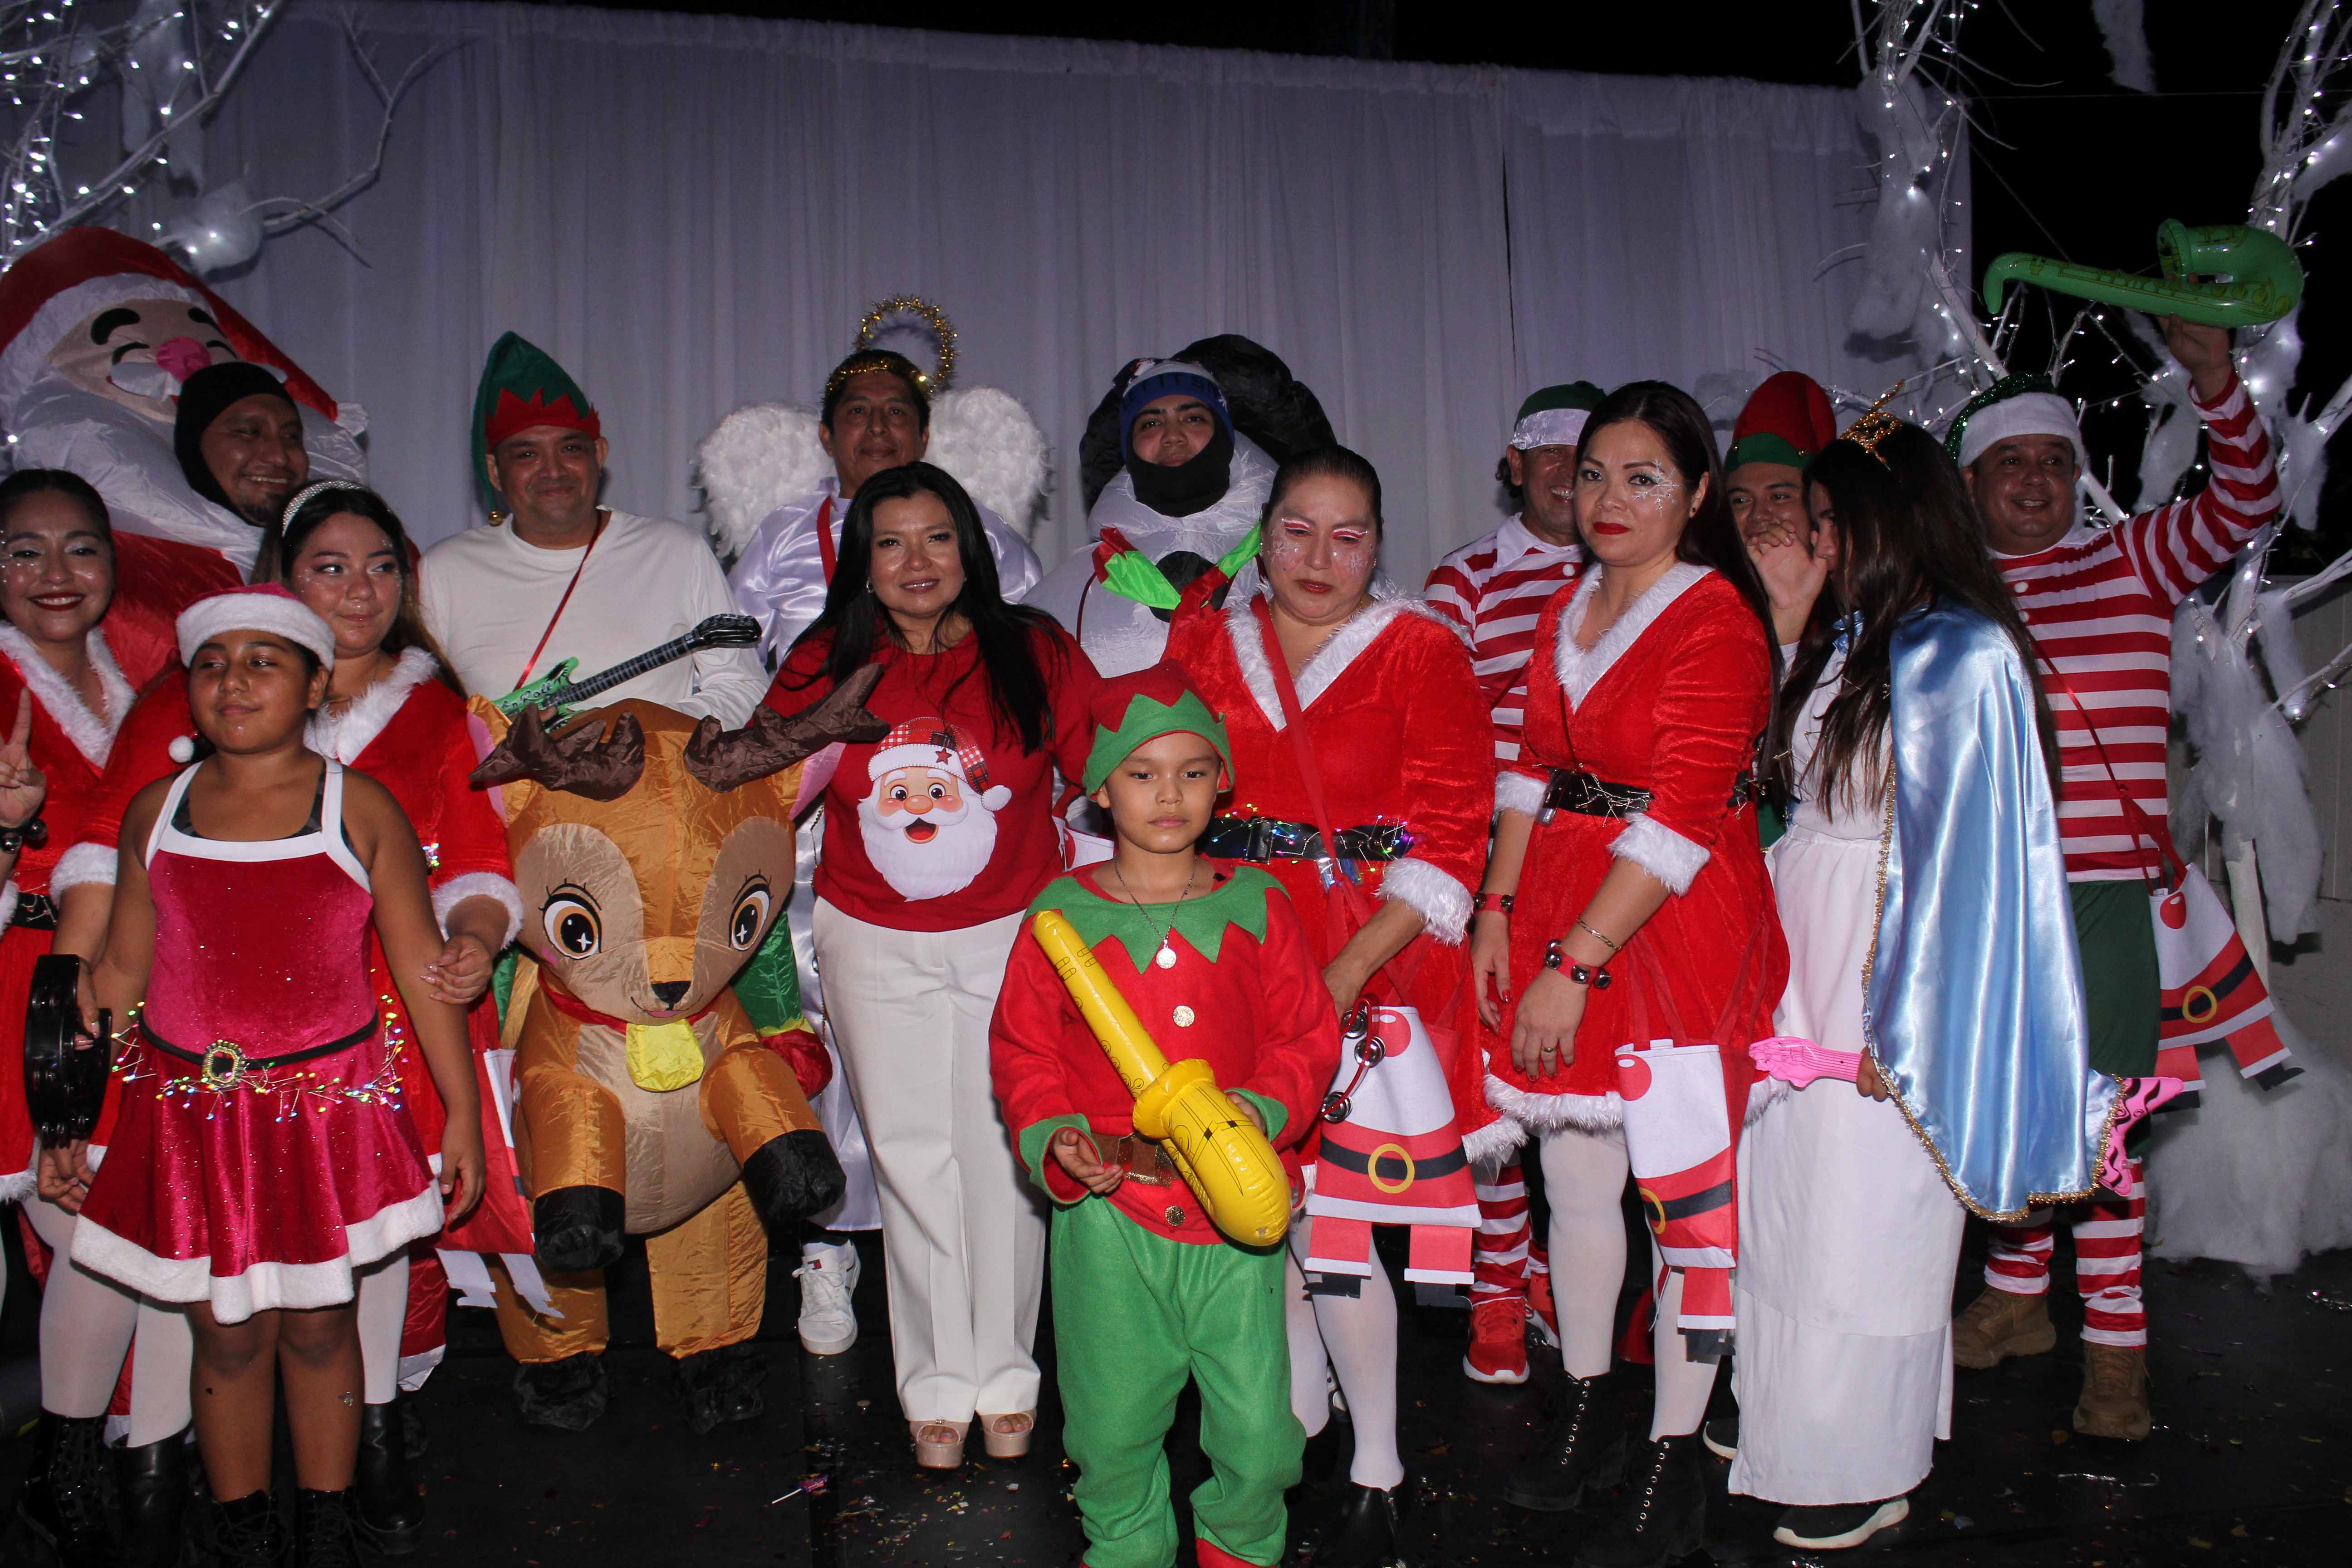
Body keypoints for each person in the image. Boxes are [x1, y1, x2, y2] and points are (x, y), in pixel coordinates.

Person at [1731, 416, 2106, 1553]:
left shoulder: (1962, 654)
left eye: (1831, 521)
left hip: (1883, 962)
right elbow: (1766, 783)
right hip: (1799, 942)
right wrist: (1786, 628)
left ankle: (1863, 1461)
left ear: (1889, 522)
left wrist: (1913, 1027)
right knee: (1785, 1212)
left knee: (1865, 1226)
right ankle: (1785, 1423)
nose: (1814, 540)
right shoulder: (1849, 639)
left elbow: (1979, 872)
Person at [62, 584, 485, 1564]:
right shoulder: (155, 813)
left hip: (327, 1120)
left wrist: (461, 1112)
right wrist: (68, 1115)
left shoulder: (359, 807)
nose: (233, 682)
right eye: (211, 664)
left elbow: (422, 972)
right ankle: (242, 1524)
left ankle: (326, 1517)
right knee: (225, 1333)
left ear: (314, 686)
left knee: (321, 1327)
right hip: (190, 1124)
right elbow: (120, 978)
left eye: (264, 661)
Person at [1942, 315, 2279, 1441]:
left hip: (2105, 904)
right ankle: (2016, 1300)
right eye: (2011, 461)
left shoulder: (2131, 557)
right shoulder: (1943, 600)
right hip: (1995, 910)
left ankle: (2118, 1352)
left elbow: (2245, 504)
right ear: (1971, 483)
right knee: (2013, 1115)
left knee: (2099, 1134)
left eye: (2055, 458)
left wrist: (2215, 381)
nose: (2038, 480)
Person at [1471, 382, 1784, 1568]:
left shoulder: (1717, 620)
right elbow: (1528, 769)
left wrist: (1572, 964)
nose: (1608, 498)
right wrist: (1499, 911)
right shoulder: (1571, 601)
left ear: (1697, 495)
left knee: (1686, 1206)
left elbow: (1685, 816)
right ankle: (1593, 1404)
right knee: (1576, 1179)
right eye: (1595, 473)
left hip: (1673, 921)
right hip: (1566, 900)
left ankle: (1674, 1450)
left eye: (1643, 478)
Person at [1165, 446, 1493, 1568]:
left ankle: (1380, 1466)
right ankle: (1299, 1430)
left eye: (1347, 535)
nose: (1318, 557)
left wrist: (1344, 974)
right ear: (1262, 537)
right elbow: (1159, 787)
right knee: (1263, 1209)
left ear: (1378, 544)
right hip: (1229, 946)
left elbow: (1450, 837)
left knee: (1339, 1229)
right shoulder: (1204, 642)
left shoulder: (1421, 651)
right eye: (1297, 530)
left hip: (1371, 959)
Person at [764, 461, 1101, 1469]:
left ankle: (1008, 1377)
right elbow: (762, 784)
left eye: (937, 537)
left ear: (971, 548)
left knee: (1005, 1153)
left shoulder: (1034, 649)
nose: (917, 562)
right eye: (891, 542)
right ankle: (935, 1385)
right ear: (862, 561)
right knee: (911, 1159)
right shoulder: (828, 657)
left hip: (1014, 937)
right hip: (870, 940)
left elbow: (1112, 765)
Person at [991, 662, 1340, 1568]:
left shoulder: (1257, 903)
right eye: (1142, 773)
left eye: (1192, 770)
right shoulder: (1061, 913)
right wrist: (1056, 1138)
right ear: (1102, 791)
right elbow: (1024, 1051)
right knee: (1109, 1426)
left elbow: (1306, 1035)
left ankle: (1242, 1543)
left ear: (1222, 780)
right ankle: (1126, 1548)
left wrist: (1258, 1112)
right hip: (1112, 1214)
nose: (1169, 794)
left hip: (1233, 1215)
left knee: (1261, 1432)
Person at [1425, 379, 1603, 1385]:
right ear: (1514, 465)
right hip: (1493, 852)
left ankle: (1575, 1275)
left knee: (1587, 1080)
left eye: (1586, 457)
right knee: (1491, 1077)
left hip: (1606, 863)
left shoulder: (1649, 570)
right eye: (1547, 454)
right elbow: (1433, 713)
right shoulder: (1468, 577)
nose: (1565, 474)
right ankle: (1498, 1281)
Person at [0, 470, 146, 1567]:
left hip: (109, 997)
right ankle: (67, 1468)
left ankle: (84, 1464)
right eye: (25, 551)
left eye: (80, 547)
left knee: (115, 1235)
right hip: (17, 990)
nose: (57, 574)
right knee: (96, 1236)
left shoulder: (141, 685)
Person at [421, 332, 765, 723]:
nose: (553, 471)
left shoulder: (674, 550)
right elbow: (422, 714)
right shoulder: (444, 569)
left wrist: (640, 728)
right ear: (495, 472)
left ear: (599, 454)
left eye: (571, 449)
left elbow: (742, 687)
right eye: (527, 455)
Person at [729, 348, 1042, 667]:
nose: (877, 426)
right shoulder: (782, 534)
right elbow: (731, 666)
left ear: (923, 437)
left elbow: (1031, 649)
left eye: (896, 412)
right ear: (827, 436)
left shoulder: (981, 529)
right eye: (858, 411)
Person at [1025, 359, 1276, 678]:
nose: (1173, 436)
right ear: (1129, 446)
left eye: (1193, 418)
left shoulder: (1289, 562)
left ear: (1225, 434)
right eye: (1151, 424)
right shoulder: (1077, 586)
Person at [1725, 371, 1840, 653]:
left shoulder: (1849, 614)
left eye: (1779, 497)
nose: (1758, 516)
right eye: (1741, 500)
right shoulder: (1710, 605)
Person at [175, 361, 312, 536]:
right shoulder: (154, 546)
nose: (279, 457)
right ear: (193, 447)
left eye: (291, 436)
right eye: (249, 432)